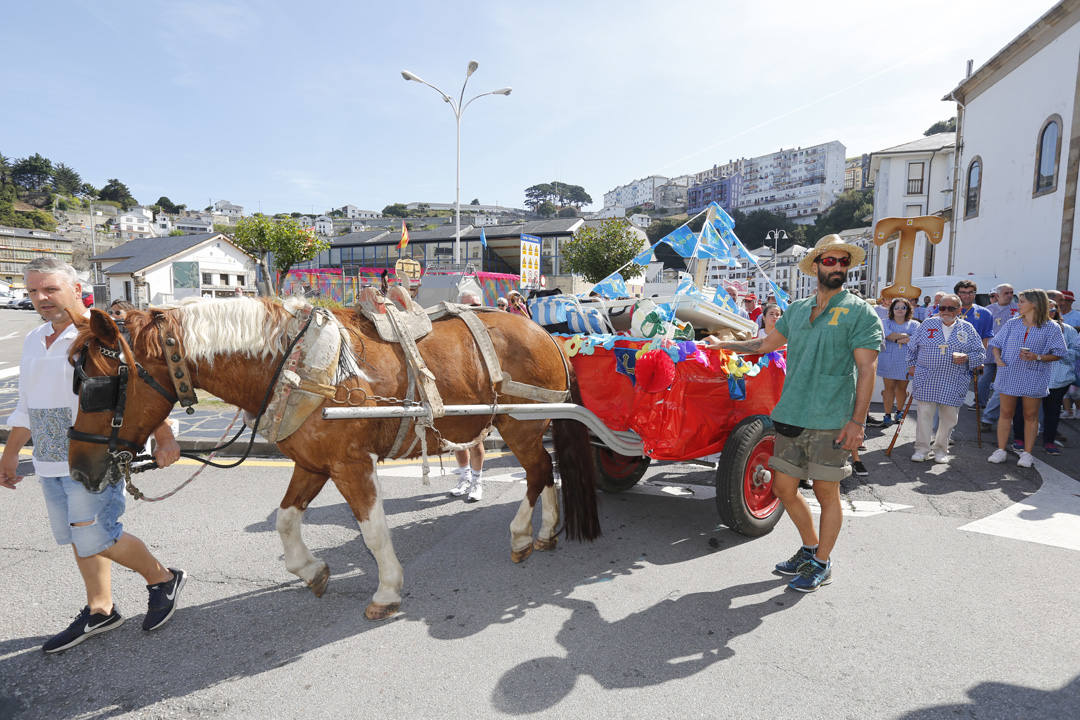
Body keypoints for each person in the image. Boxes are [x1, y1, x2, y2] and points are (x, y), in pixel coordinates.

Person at [0, 258, 185, 654]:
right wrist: (11, 454)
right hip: (49, 455)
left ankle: (162, 578)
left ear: (74, 287)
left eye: (49, 289)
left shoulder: (103, 333)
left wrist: (164, 436)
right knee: (78, 537)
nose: (41, 298)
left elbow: (141, 392)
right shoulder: (35, 340)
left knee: (98, 534)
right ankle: (101, 609)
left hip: (95, 450)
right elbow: (27, 405)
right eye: (33, 291)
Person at [709, 234, 882, 593]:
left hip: (832, 419)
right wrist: (721, 344)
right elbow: (763, 344)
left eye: (843, 262)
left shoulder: (860, 311)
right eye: (830, 261)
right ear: (816, 265)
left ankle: (822, 561)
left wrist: (857, 423)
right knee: (784, 488)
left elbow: (867, 370)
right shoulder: (799, 310)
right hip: (790, 415)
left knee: (826, 492)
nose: (837, 268)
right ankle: (809, 548)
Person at [987, 289, 1067, 468]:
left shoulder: (1051, 327)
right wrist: (998, 360)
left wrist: (1037, 357)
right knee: (1005, 413)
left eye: (1022, 301)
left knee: (1030, 415)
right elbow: (996, 344)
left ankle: (1027, 453)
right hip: (1008, 373)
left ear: (1035, 303)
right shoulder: (1012, 324)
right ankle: (1000, 450)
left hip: (1034, 375)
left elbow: (1060, 353)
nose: (1018, 304)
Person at [905, 294, 986, 463]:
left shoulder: (967, 328)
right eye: (942, 308)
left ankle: (941, 449)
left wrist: (967, 357)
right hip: (927, 377)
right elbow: (911, 348)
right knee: (924, 414)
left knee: (949, 418)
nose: (946, 311)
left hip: (954, 379)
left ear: (959, 309)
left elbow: (980, 354)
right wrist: (911, 366)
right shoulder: (928, 324)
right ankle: (921, 449)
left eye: (951, 308)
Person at [1012, 300, 1078, 455]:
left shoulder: (1068, 330)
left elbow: (1076, 352)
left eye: (1051, 310)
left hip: (1057, 379)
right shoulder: (1025, 328)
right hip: (1029, 376)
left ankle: (1049, 441)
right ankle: (1019, 438)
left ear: (1055, 312)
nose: (1047, 313)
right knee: (1024, 410)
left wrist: (1054, 354)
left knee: (1053, 411)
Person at [450, 291, 487, 501]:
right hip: (456, 389)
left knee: (475, 440)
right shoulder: (454, 328)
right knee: (457, 440)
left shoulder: (486, 327)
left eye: (475, 305)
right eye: (467, 306)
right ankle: (464, 478)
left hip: (478, 392)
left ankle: (477, 482)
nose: (472, 309)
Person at [980, 283, 1020, 428]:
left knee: (1003, 385)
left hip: (1011, 352)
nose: (1010, 296)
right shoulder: (988, 310)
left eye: (1011, 293)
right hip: (992, 349)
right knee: (987, 377)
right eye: (1006, 293)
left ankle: (992, 416)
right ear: (997, 296)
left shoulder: (1017, 309)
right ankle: (982, 405)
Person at [876, 298, 919, 427]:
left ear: (908, 310)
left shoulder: (915, 324)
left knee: (902, 388)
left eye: (903, 307)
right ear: (892, 310)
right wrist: (904, 337)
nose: (900, 310)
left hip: (906, 361)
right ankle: (887, 415)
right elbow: (888, 335)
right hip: (889, 360)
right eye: (897, 307)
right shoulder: (885, 322)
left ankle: (899, 412)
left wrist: (899, 337)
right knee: (888, 388)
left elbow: (917, 338)